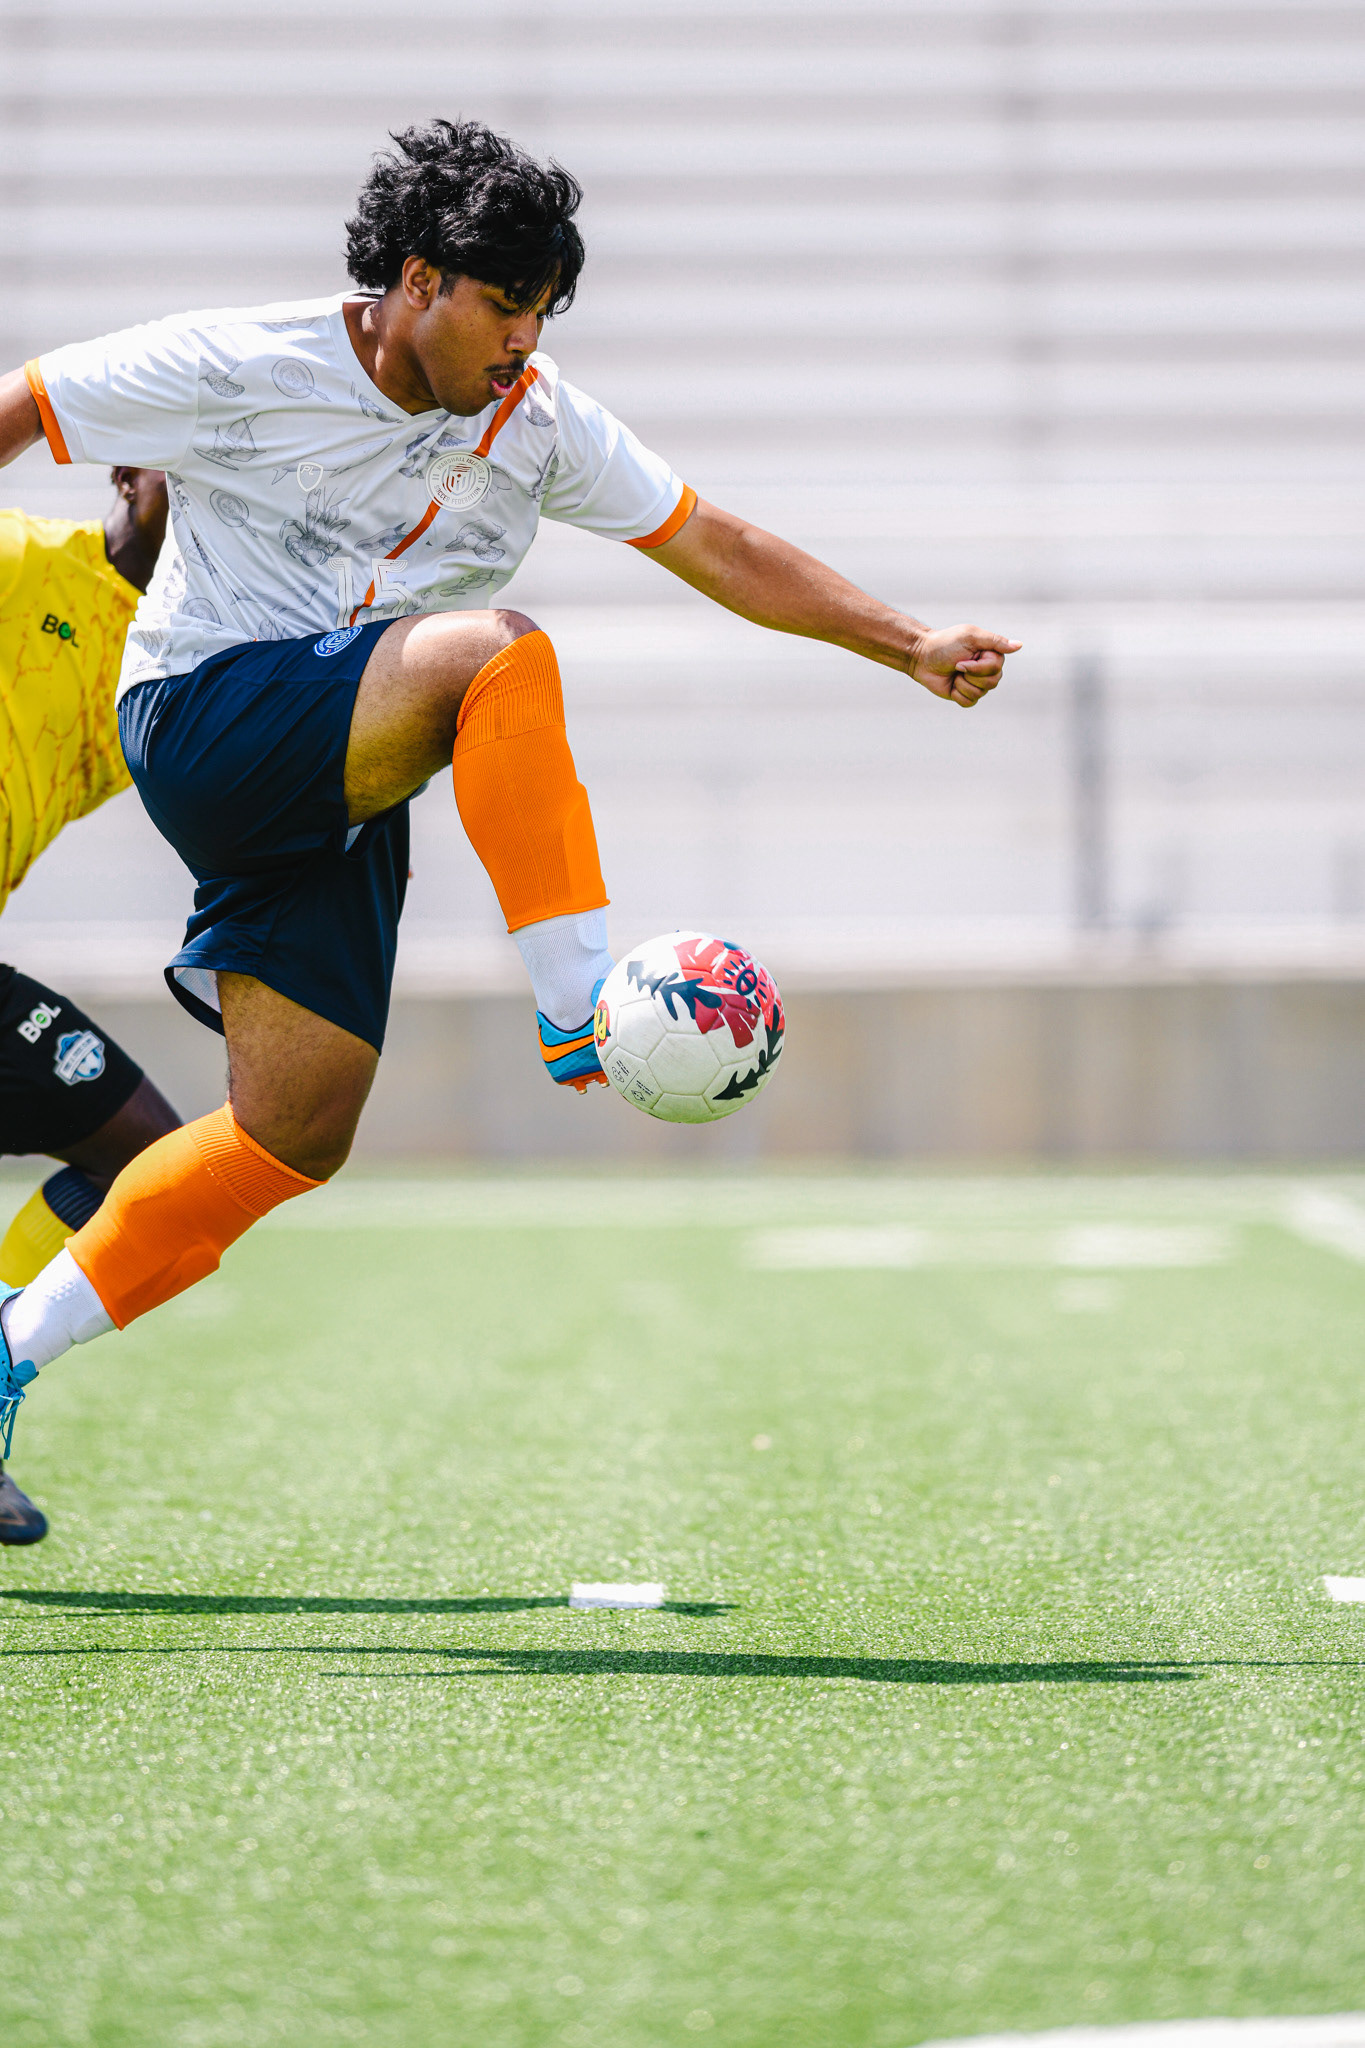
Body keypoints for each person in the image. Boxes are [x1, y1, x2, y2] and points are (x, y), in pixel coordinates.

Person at [0, 117, 1019, 1456]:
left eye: (542, 310)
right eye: (505, 305)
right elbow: (19, 408)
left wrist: (908, 644)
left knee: (290, 1133)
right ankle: (575, 1001)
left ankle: (11, 1349)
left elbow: (714, 539)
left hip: (344, 774)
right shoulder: (244, 361)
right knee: (500, 656)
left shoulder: (537, 424)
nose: (526, 341)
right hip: (204, 715)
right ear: (416, 282)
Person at [0, 468, 180, 1539]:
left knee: (147, 1156)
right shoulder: (20, 556)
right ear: (127, 476)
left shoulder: (182, 660)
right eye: (188, 467)